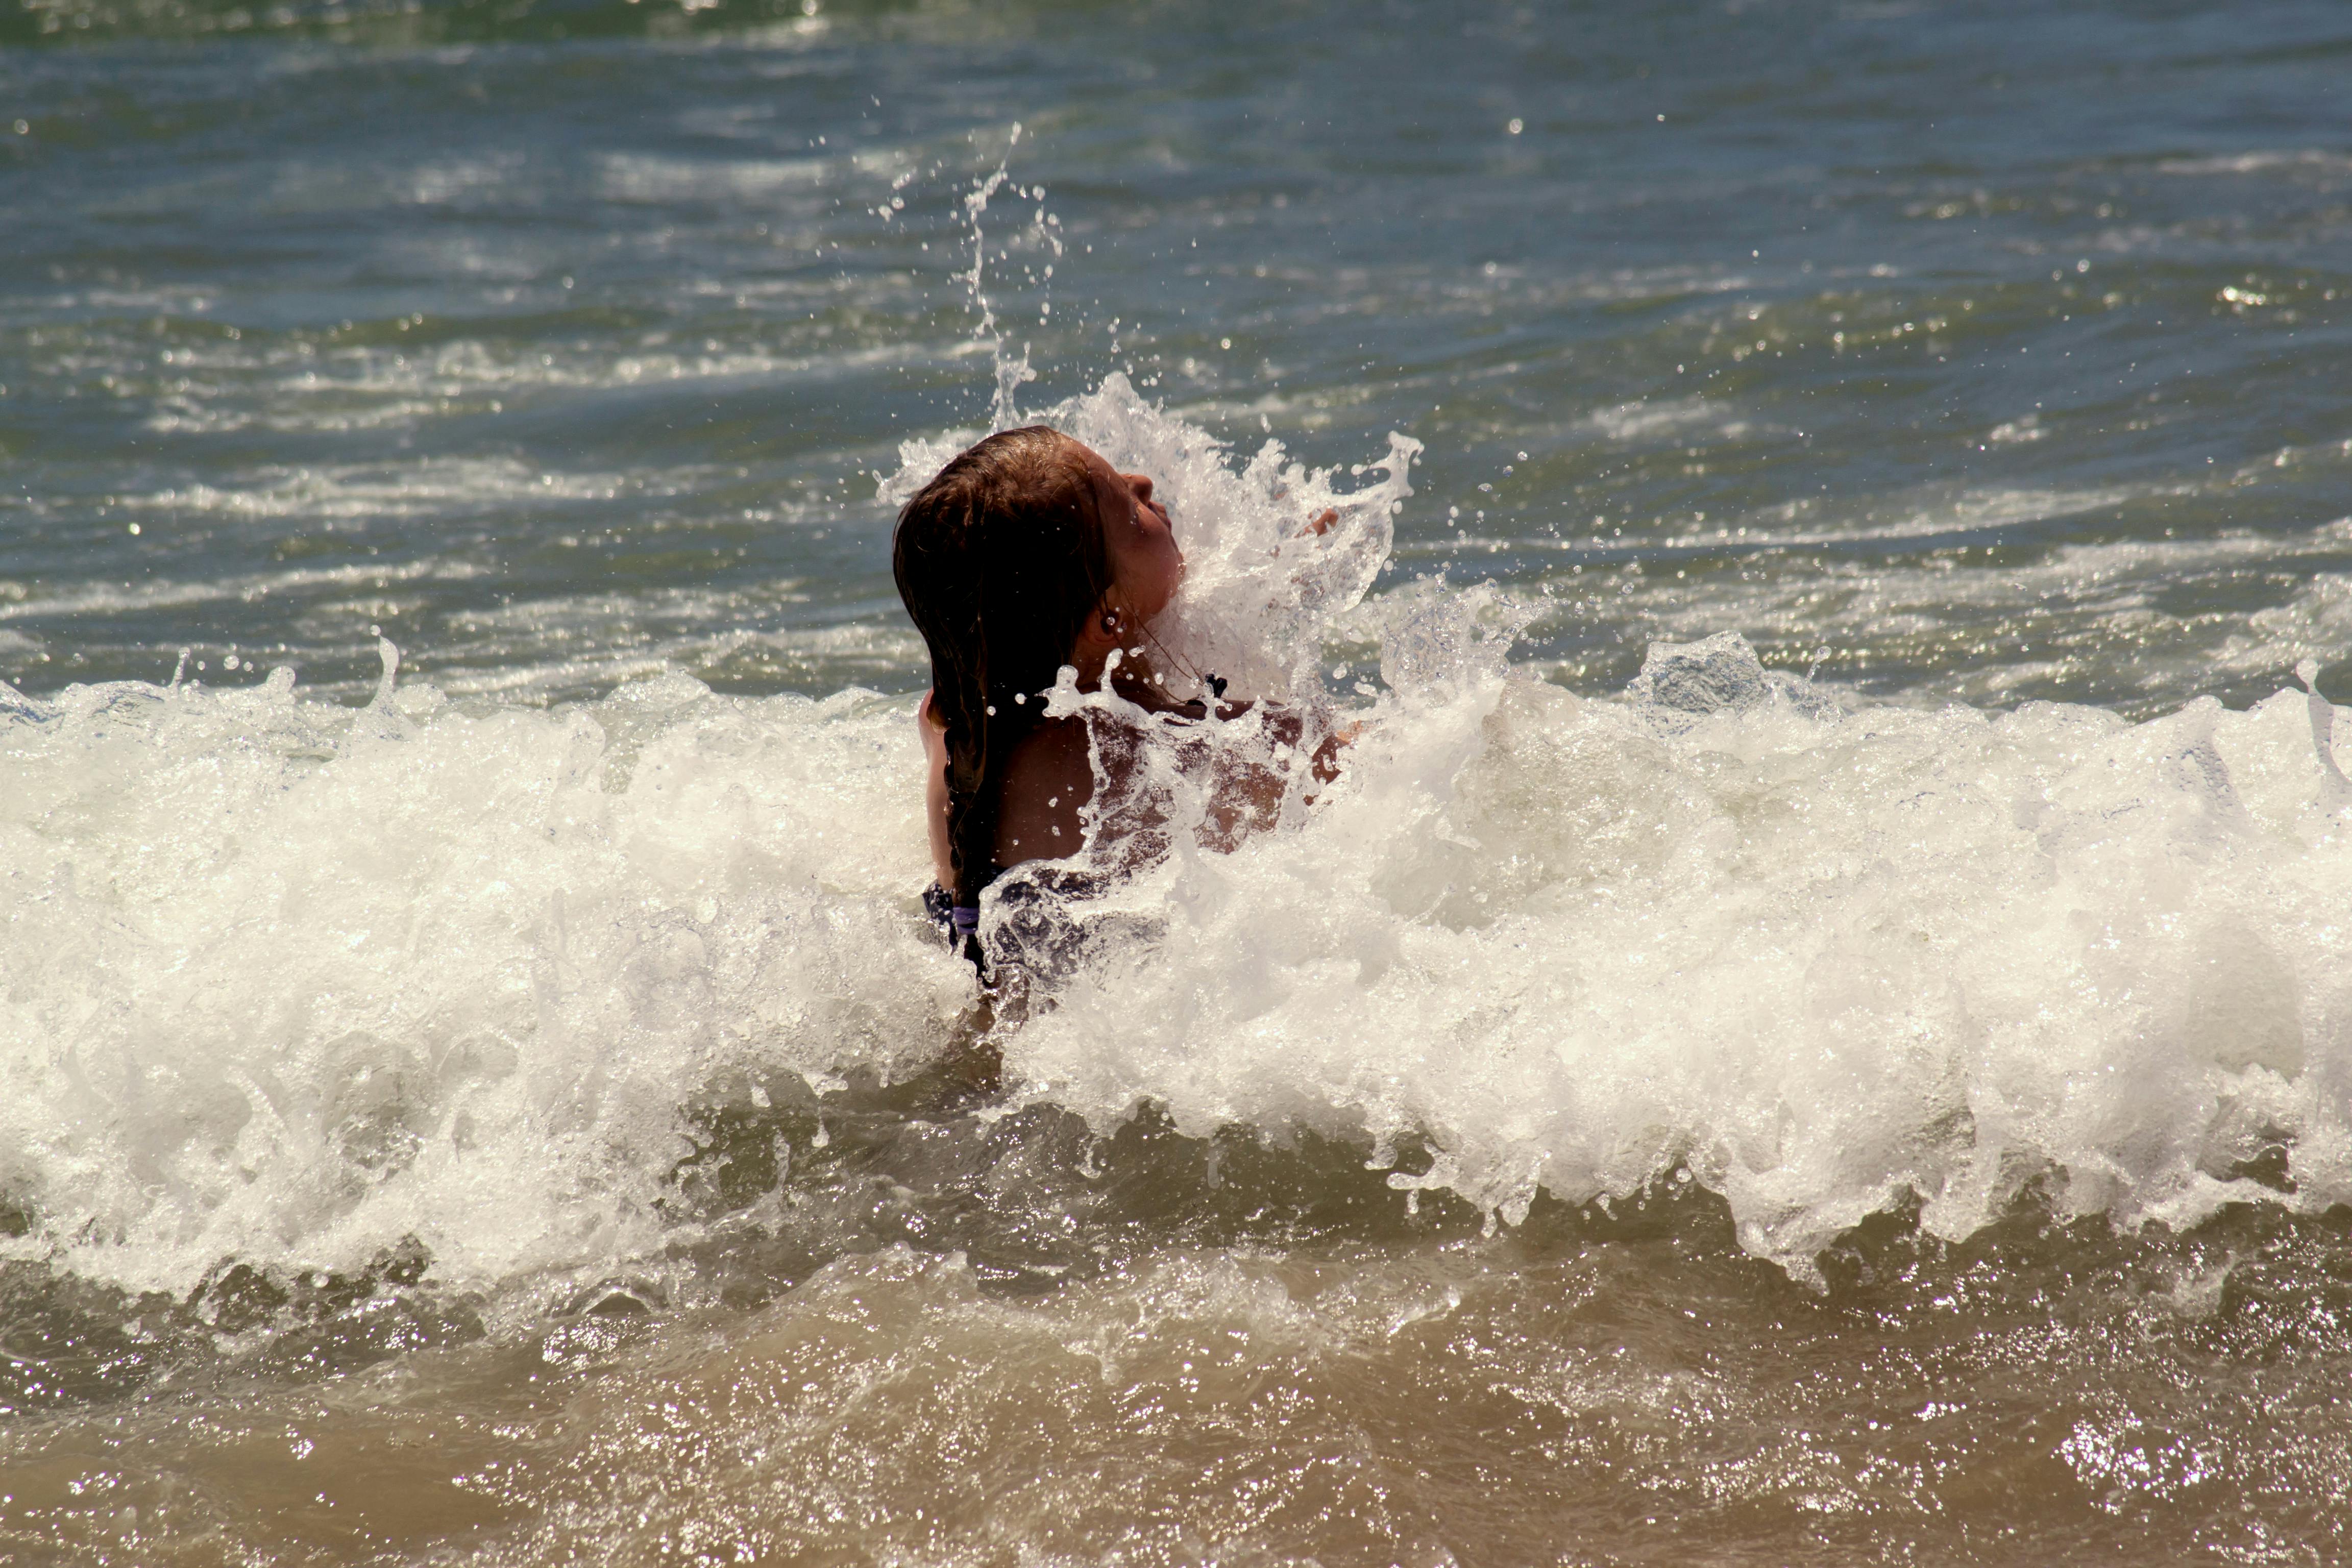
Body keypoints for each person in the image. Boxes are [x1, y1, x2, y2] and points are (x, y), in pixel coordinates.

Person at [892, 424, 1339, 972]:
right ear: (1109, 620)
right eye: (1131, 511)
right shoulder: (1142, 756)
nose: (1144, 481)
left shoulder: (953, 721)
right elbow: (1363, 764)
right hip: (1098, 984)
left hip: (978, 949)